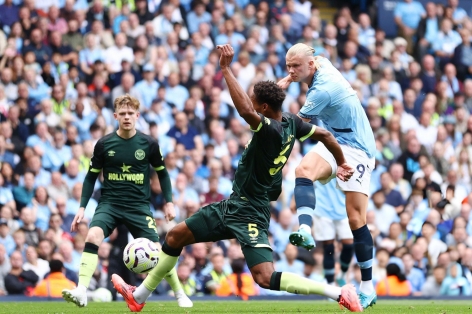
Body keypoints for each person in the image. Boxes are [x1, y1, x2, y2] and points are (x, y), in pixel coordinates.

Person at [111, 44, 362, 313]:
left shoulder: (270, 131)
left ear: (263, 109)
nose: (250, 104)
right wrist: (342, 162)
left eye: (255, 103)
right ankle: (139, 295)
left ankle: (338, 292)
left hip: (250, 211)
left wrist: (225, 69)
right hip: (235, 205)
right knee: (174, 236)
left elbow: (245, 111)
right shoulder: (290, 122)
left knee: (265, 277)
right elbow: (324, 135)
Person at [61, 94, 192, 308]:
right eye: (122, 114)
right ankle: (81, 291)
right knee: (92, 235)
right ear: (115, 116)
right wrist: (82, 207)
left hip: (138, 206)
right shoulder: (104, 144)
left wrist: (169, 202)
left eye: (131, 113)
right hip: (110, 204)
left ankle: (179, 293)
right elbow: (90, 176)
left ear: (137, 115)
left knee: (159, 252)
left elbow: (163, 174)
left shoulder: (148, 143)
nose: (127, 117)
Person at [277, 43, 377, 309]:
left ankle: (368, 285)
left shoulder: (321, 90)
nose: (291, 70)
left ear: (310, 66)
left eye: (295, 66)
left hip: (357, 148)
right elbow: (315, 51)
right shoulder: (319, 62)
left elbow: (294, 129)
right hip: (335, 139)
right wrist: (289, 77)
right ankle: (305, 229)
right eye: (288, 65)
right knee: (303, 170)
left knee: (356, 219)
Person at [313, 179, 354, 286]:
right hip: (322, 208)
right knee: (328, 248)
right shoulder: (320, 161)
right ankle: (330, 283)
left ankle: (342, 274)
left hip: (344, 208)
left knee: (349, 245)